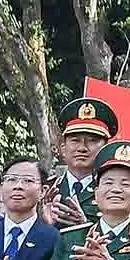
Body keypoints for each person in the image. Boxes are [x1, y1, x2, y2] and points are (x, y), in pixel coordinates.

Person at [46, 95, 112, 227]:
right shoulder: (46, 189)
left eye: (92, 141)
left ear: (105, 148)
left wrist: (85, 225)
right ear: (63, 148)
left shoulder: (114, 190)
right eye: (75, 141)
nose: (82, 148)